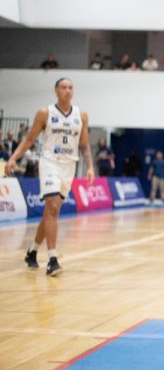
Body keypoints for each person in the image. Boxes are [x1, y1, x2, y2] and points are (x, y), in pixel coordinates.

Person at [4, 77, 94, 276]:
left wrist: (90, 167)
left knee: (50, 214)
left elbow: (84, 145)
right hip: (49, 162)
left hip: (69, 166)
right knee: (52, 207)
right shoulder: (45, 113)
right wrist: (13, 158)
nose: (67, 91)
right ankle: (52, 259)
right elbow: (29, 140)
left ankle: (32, 251)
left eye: (70, 88)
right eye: (63, 87)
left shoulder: (82, 115)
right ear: (56, 91)